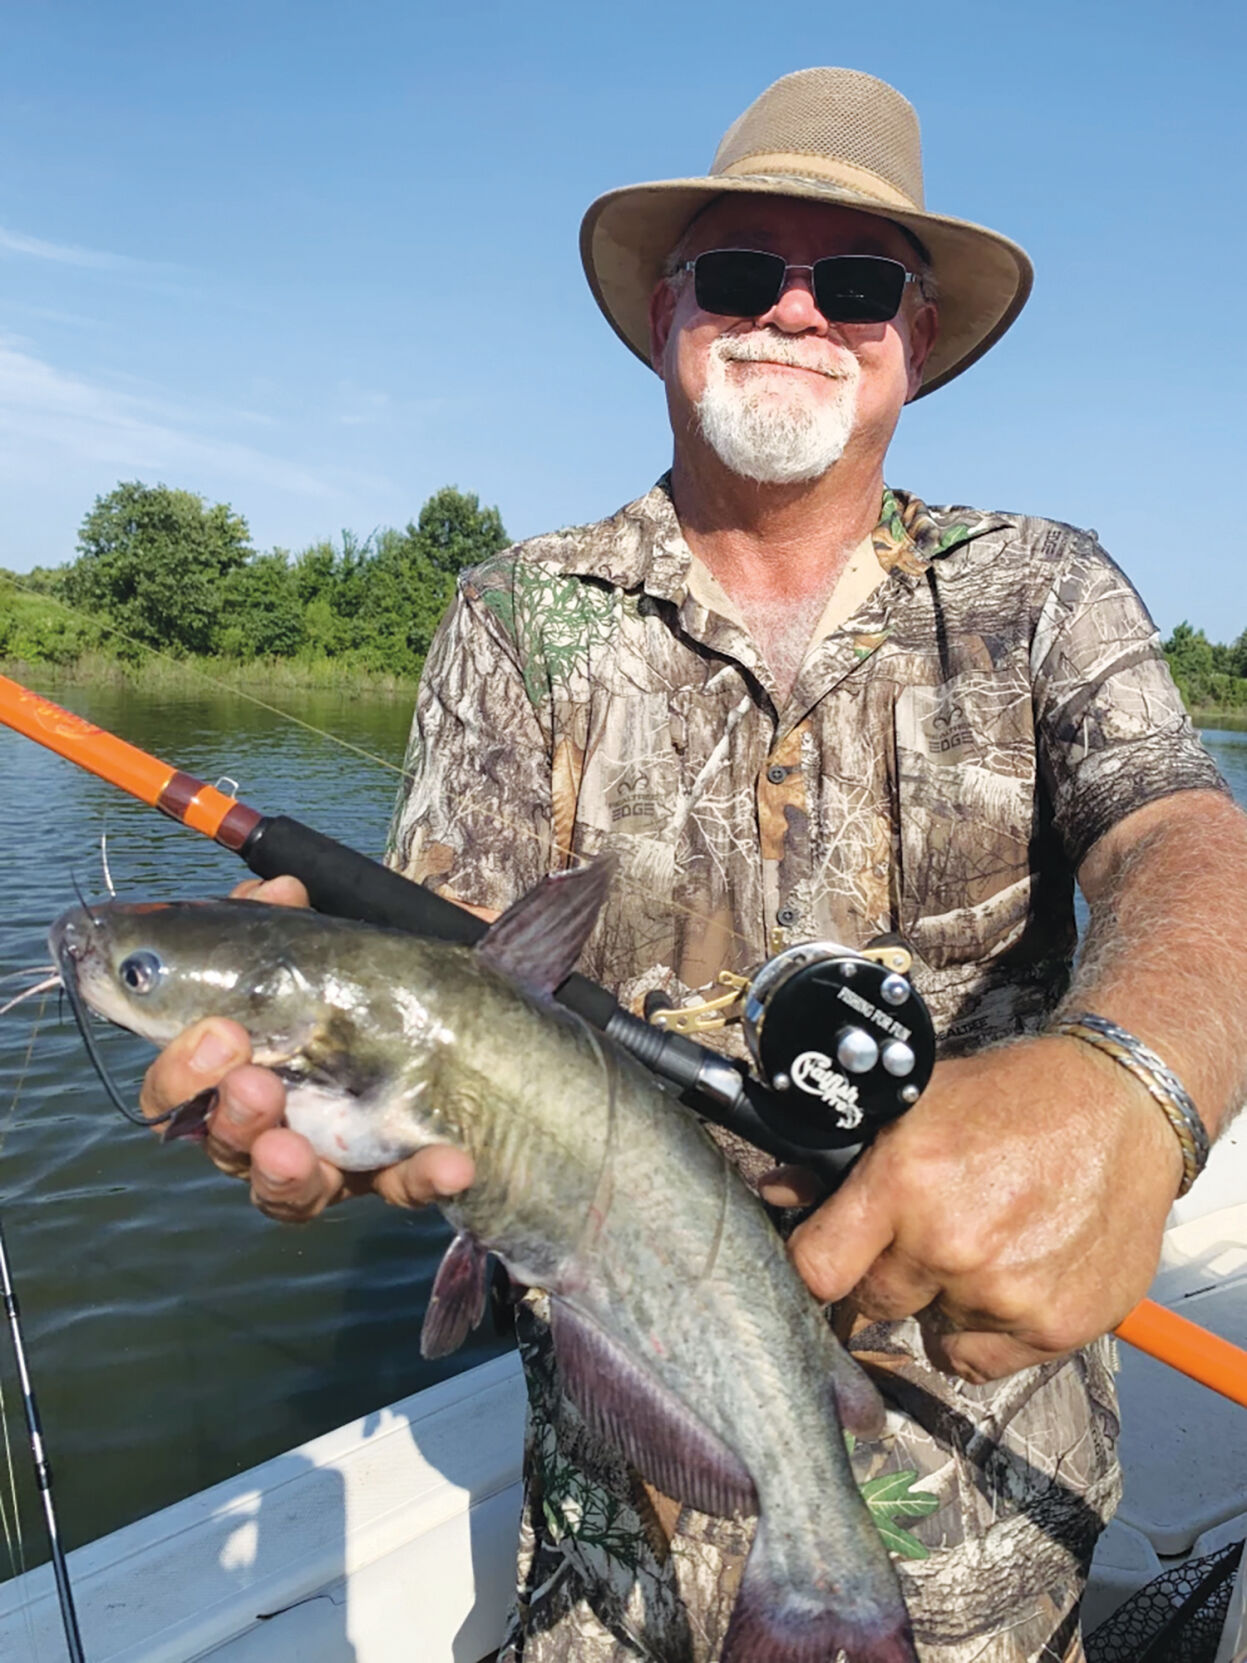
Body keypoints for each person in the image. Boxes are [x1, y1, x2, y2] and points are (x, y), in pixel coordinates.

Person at [143, 68, 1247, 1663]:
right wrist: (315, 1075)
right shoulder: (515, 618)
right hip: (618, 1553)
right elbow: (447, 1018)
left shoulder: (1045, 589)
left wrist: (1129, 1082)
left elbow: (1188, 846)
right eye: (742, 274)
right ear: (668, 312)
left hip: (990, 1530)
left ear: (916, 340)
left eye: (857, 284)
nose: (796, 313)